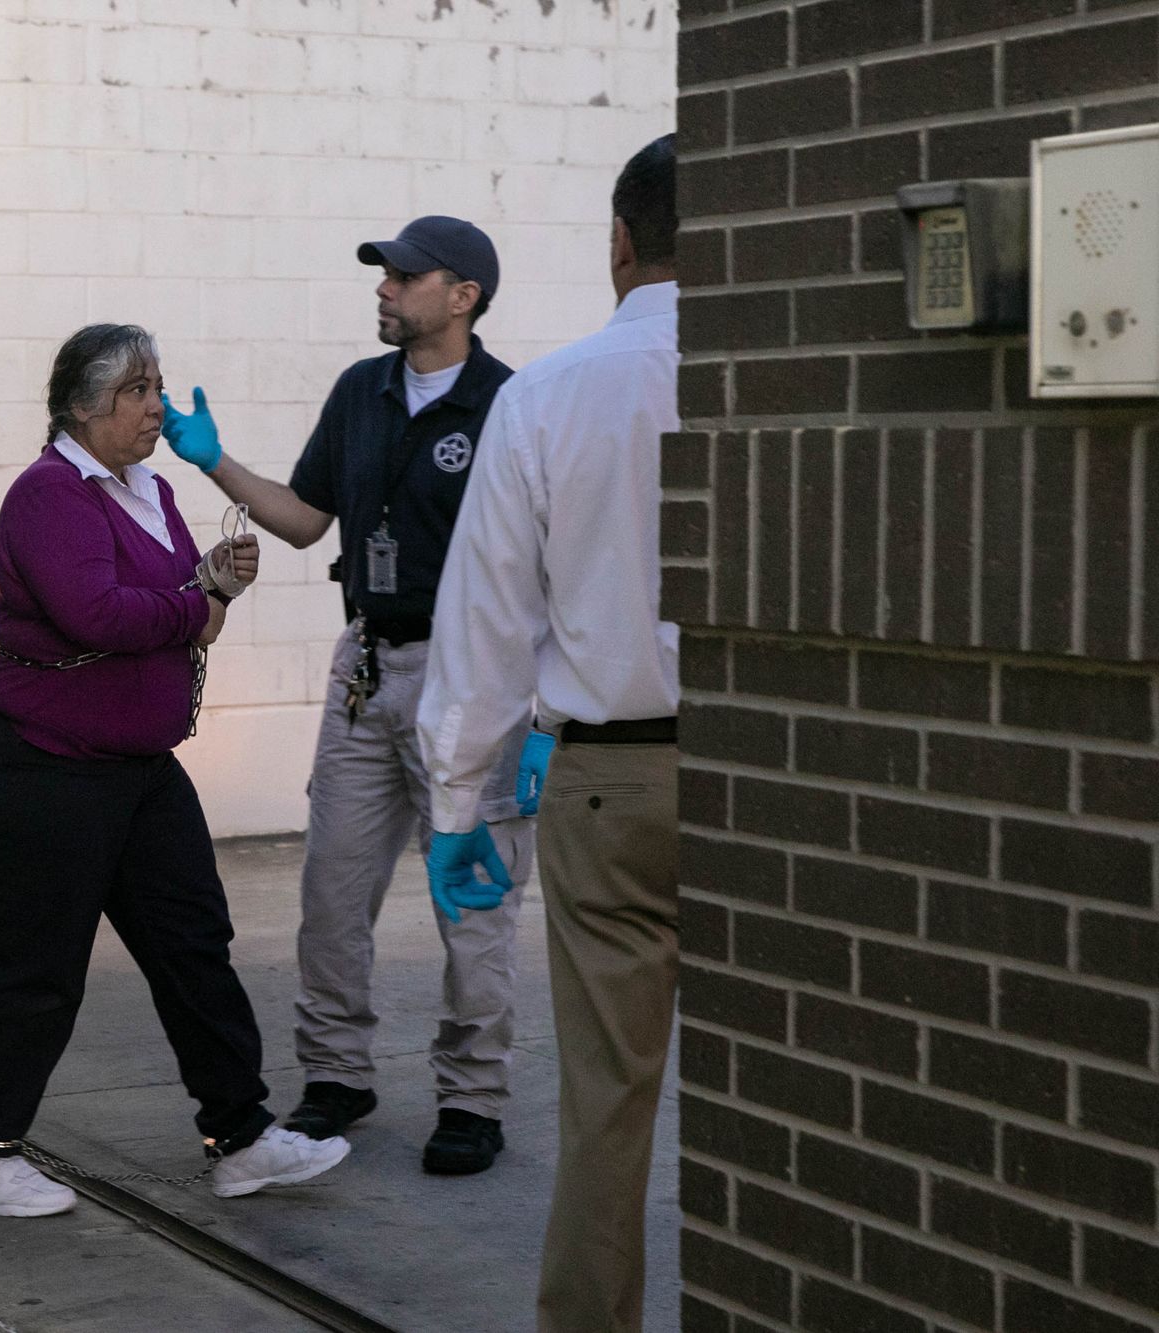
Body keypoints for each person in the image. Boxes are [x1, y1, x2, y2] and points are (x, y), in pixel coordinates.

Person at [0, 323, 351, 1218]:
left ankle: (240, 1136)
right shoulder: (49, 494)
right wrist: (192, 594)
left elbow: (183, 620)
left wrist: (216, 588)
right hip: (48, 768)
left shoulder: (151, 489)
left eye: (157, 386)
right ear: (84, 407)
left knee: (194, 946)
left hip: (137, 768)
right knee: (37, 964)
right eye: (137, 391)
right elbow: (98, 615)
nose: (157, 406)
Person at [160, 217, 533, 1175]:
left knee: (472, 901)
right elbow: (303, 518)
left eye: (407, 277)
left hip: (474, 681)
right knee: (331, 890)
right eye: (384, 275)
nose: (385, 289)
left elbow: (552, 563)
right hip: (367, 666)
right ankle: (337, 1074)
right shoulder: (360, 393)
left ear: (465, 296)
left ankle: (472, 1096)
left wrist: (544, 718)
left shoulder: (513, 407)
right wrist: (212, 458)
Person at [416, 135, 681, 1333]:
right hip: (797, 787)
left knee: (606, 1101)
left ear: (619, 242)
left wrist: (455, 805)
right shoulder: (800, 373)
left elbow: (482, 631)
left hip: (610, 787)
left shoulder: (547, 394)